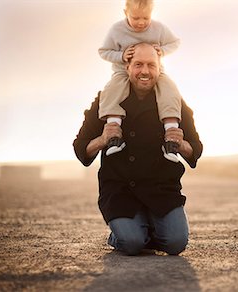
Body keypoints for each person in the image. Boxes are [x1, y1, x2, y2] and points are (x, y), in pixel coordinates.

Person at [73, 43, 203, 256]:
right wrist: (103, 139)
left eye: (151, 65)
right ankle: (123, 234)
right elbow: (81, 149)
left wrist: (181, 145)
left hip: (161, 190)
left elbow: (195, 150)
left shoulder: (172, 102)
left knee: (175, 244)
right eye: (138, 64)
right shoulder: (107, 99)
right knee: (132, 243)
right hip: (121, 190)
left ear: (159, 68)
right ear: (127, 68)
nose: (144, 71)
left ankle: (142, 227)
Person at [98, 0, 183, 162]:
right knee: (111, 91)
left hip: (156, 72)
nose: (141, 22)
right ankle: (114, 134)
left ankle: (171, 137)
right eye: (135, 18)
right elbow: (103, 51)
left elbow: (175, 42)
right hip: (122, 72)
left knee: (170, 91)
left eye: (146, 18)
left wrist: (162, 50)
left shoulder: (159, 28)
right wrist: (121, 56)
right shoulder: (117, 30)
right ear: (125, 13)